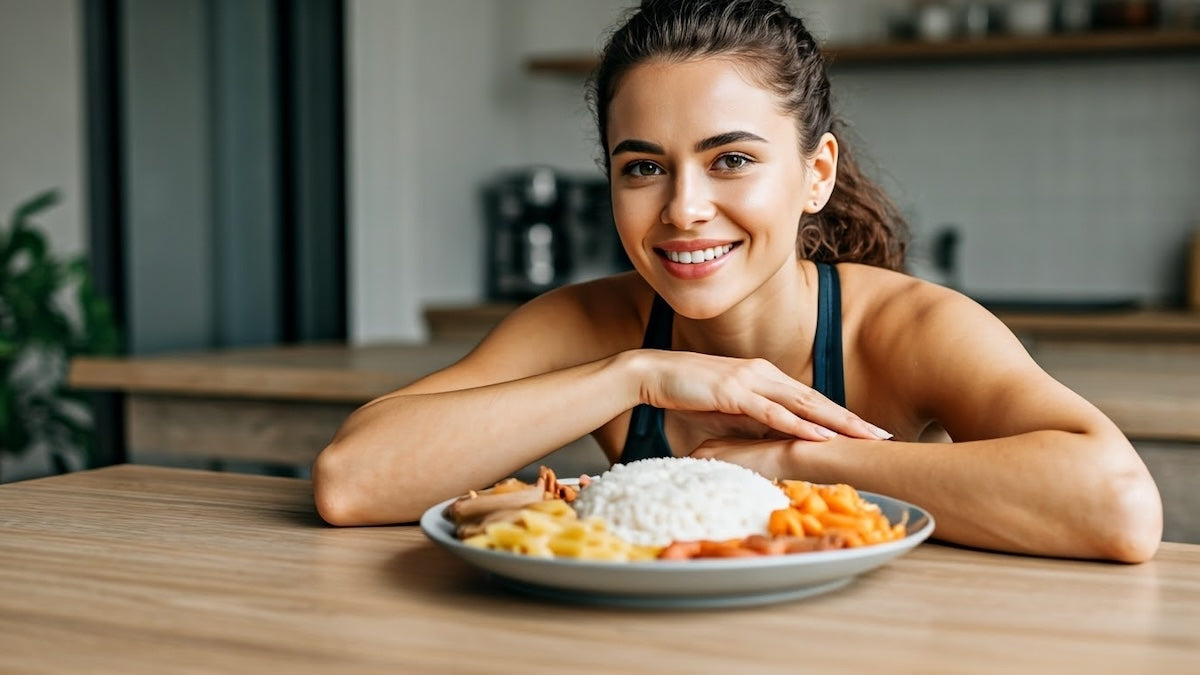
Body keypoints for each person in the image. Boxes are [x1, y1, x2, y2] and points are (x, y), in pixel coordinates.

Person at [313, 0, 1161, 563]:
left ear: (816, 173)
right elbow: (353, 479)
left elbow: (1118, 505)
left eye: (732, 160)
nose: (684, 208)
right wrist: (638, 373)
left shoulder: (902, 329)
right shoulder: (595, 325)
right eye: (643, 166)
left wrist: (790, 458)